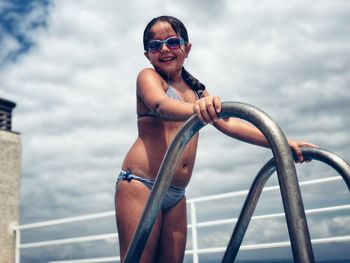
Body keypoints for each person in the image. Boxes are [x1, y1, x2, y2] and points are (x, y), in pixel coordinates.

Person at [114, 15, 317, 263]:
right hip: (141, 184)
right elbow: (160, 104)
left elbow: (229, 123)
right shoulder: (148, 77)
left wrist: (281, 143)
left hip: (177, 192)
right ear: (147, 54)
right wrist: (200, 110)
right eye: (155, 45)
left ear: (187, 49)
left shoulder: (197, 90)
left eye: (172, 41)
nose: (164, 48)